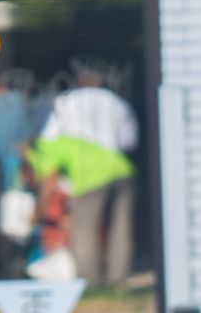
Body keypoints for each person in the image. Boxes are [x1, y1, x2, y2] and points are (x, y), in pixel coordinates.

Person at [31, 63, 137, 285]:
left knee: (84, 230)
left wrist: (38, 211)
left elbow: (50, 176)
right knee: (121, 228)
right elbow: (130, 141)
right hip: (123, 170)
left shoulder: (64, 105)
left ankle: (92, 281)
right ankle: (119, 279)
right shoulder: (117, 102)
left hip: (89, 176)